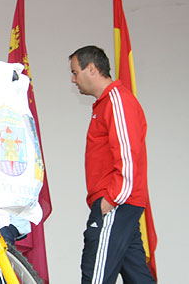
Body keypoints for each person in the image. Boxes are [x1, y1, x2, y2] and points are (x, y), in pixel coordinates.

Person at [69, 45, 155, 284]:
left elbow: (128, 154)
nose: (73, 80)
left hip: (115, 203)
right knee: (138, 277)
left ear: (92, 68)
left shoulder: (116, 101)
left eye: (75, 72)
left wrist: (112, 199)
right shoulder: (107, 103)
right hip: (120, 204)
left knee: (95, 275)